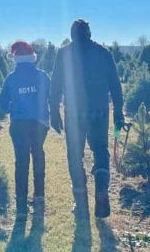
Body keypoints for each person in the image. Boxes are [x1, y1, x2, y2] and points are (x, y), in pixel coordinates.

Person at [50, 19, 124, 220]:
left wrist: (53, 110)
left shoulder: (64, 54)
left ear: (73, 35)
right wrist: (118, 111)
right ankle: (101, 189)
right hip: (99, 112)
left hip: (74, 113)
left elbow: (56, 84)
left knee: (75, 156)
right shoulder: (103, 53)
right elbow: (115, 85)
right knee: (101, 151)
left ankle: (80, 201)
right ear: (89, 34)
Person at [0, 41, 52, 219]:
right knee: (38, 154)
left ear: (15, 59)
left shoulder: (11, 79)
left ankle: (21, 205)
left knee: (21, 161)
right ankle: (39, 198)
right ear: (32, 58)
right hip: (40, 124)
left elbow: (2, 105)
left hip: (19, 124)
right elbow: (52, 97)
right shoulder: (42, 76)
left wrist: (16, 105)